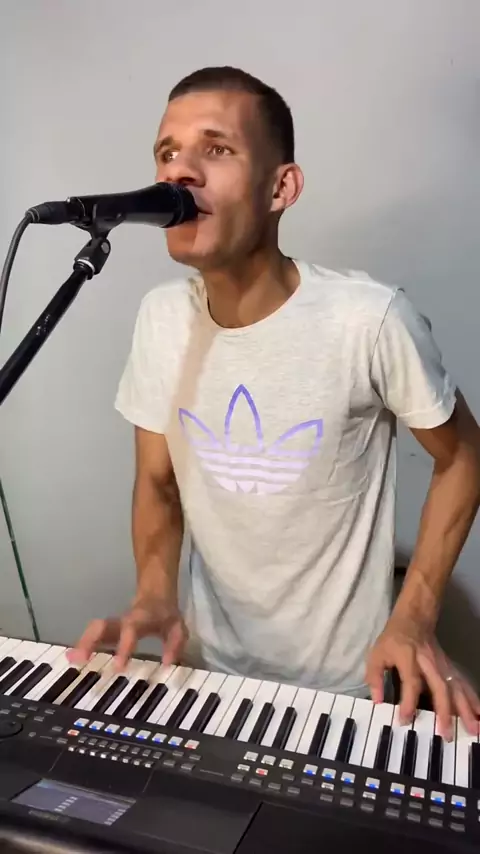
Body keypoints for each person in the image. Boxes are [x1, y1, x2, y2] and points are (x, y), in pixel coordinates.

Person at [70, 66, 480, 740]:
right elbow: (158, 483)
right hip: (208, 680)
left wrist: (414, 617)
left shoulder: (369, 318)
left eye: (216, 148)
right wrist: (154, 593)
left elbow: (463, 456)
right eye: (167, 152)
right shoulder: (160, 318)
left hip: (351, 690)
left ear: (280, 188)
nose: (179, 170)